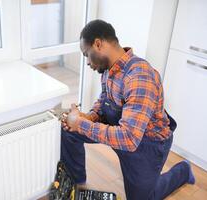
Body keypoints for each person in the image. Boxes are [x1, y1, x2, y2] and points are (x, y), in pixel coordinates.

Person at [60, 19, 195, 200]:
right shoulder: (108, 68)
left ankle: (183, 171)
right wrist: (89, 117)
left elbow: (129, 139)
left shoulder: (140, 77)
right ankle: (76, 186)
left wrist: (81, 124)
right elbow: (105, 98)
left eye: (86, 54)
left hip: (145, 144)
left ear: (98, 44)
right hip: (120, 129)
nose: (87, 62)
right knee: (68, 130)